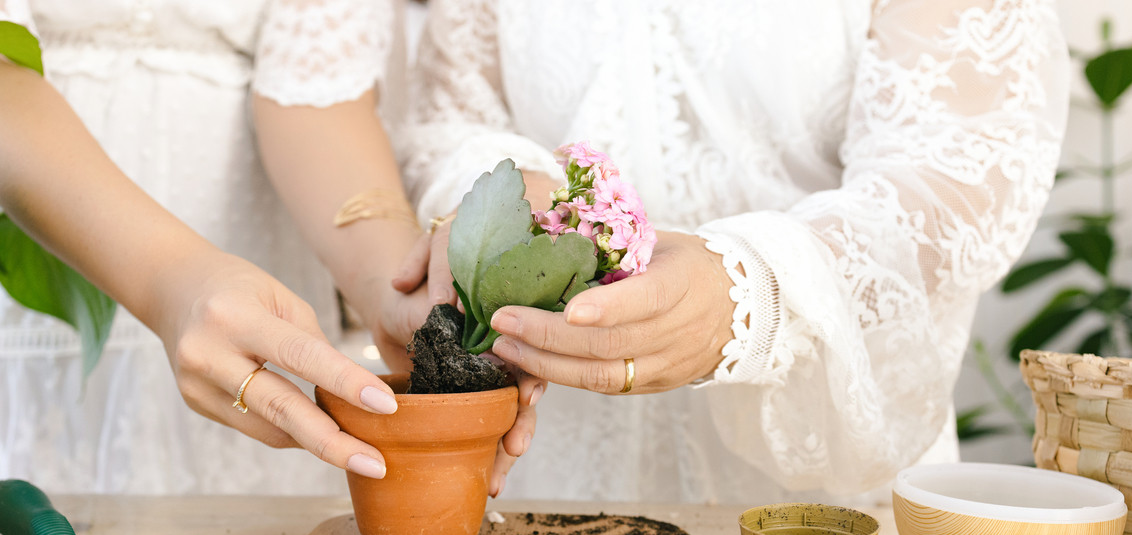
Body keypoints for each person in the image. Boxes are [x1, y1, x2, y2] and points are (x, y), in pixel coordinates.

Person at [398, 0, 1070, 504]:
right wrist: (507, 190)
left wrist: (754, 296)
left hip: (813, 495)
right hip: (538, 465)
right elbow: (449, 112)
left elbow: (958, 173)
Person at [0, 0, 536, 496]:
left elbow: (318, 91)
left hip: (256, 290)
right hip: (30, 233)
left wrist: (391, 286)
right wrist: (174, 282)